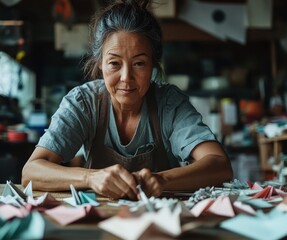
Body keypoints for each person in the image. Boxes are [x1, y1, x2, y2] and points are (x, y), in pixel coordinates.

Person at [22, 0, 233, 200]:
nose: (126, 78)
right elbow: (31, 171)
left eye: (139, 63)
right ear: (100, 64)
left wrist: (162, 179)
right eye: (114, 63)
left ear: (153, 65)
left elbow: (220, 165)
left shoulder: (169, 103)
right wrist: (91, 177)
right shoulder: (83, 103)